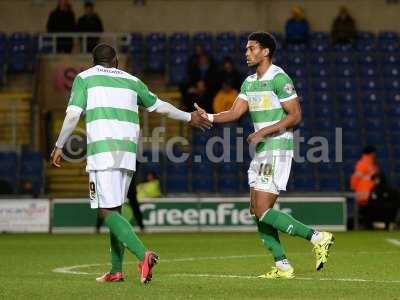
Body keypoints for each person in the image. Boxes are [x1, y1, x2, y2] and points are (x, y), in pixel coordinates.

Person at [50, 43, 211, 284]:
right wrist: (189, 117)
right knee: (115, 209)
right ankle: (116, 271)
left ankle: (143, 254)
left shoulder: (85, 78)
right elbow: (161, 107)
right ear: (115, 61)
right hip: (127, 154)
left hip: (103, 153)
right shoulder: (132, 80)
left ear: (94, 62)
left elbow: (73, 114)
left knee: (106, 212)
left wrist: (59, 145)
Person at [195, 32, 334, 279]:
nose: (246, 53)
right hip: (262, 151)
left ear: (266, 51)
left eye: (251, 48)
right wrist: (210, 117)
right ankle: (282, 265)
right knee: (256, 209)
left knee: (262, 209)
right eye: (246, 49)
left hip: (277, 147)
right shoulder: (249, 82)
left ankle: (317, 237)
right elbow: (235, 113)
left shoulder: (280, 78)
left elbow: (295, 115)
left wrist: (263, 132)